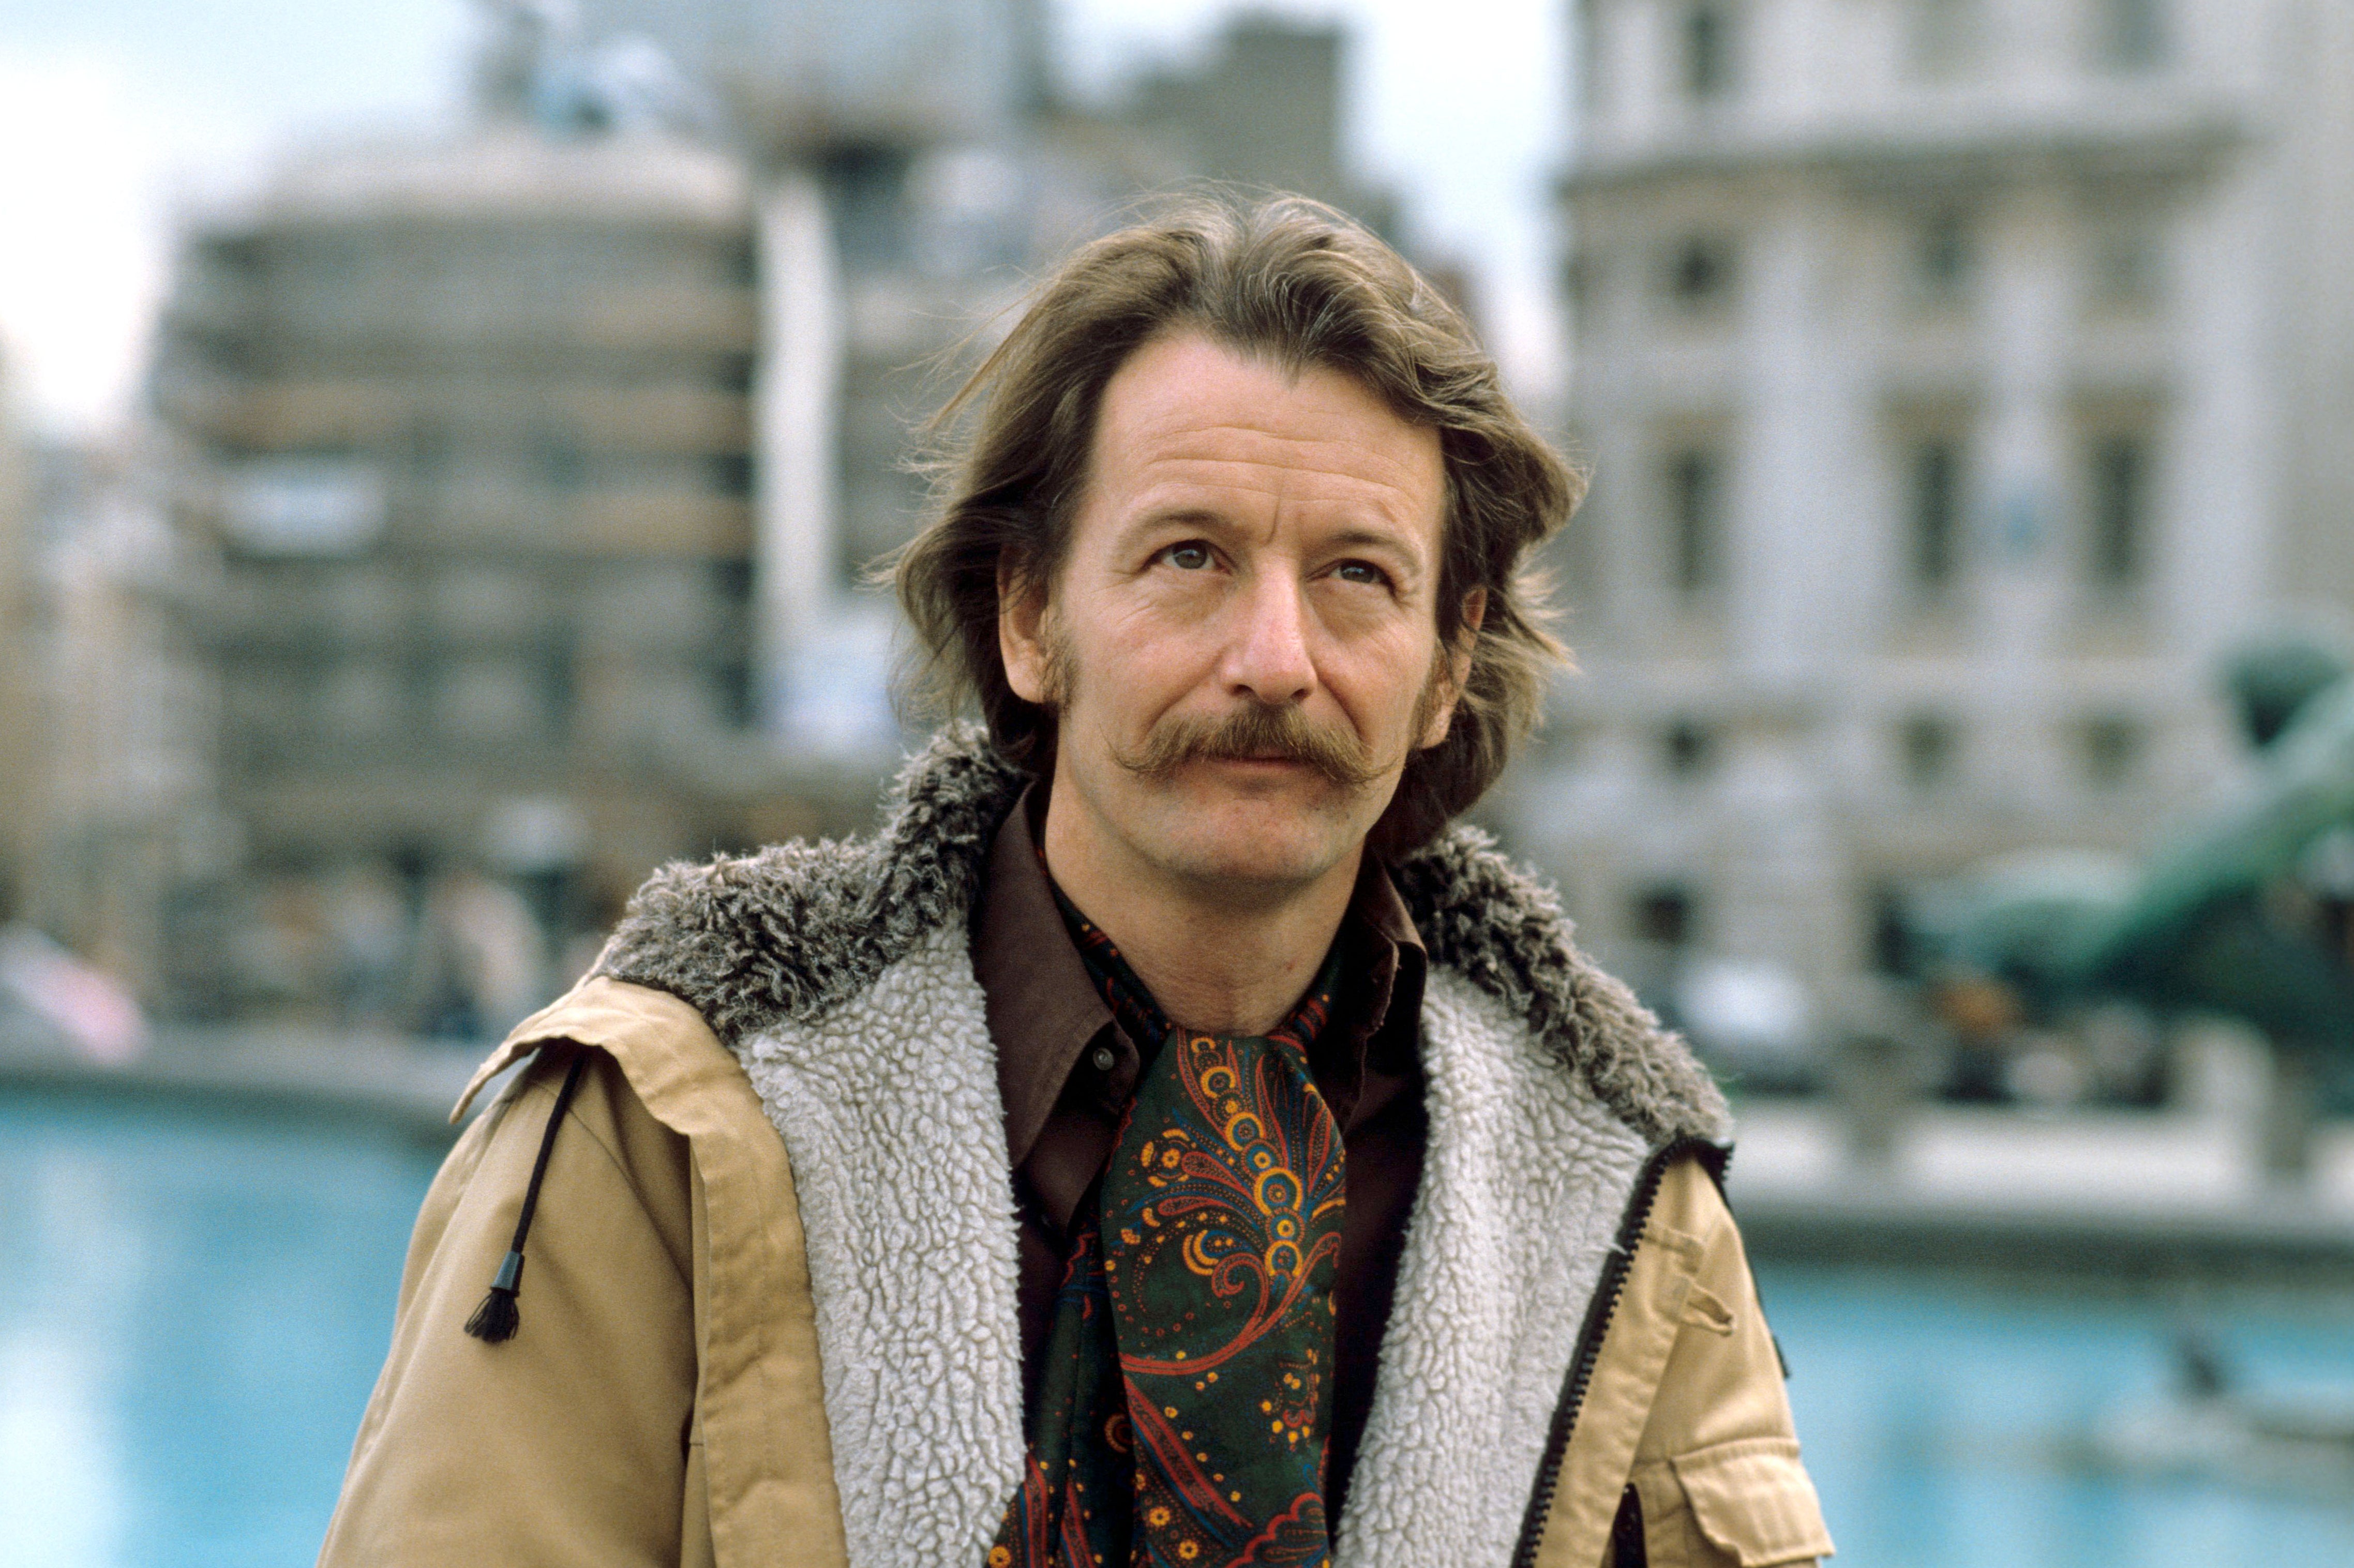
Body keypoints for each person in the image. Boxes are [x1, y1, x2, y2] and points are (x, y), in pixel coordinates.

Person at [319, 195, 1833, 1568]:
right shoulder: (660, 1132)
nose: (1275, 660)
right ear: (1032, 619)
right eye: (1190, 557)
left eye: (1359, 576)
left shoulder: (1623, 1203)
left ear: (1448, 664)